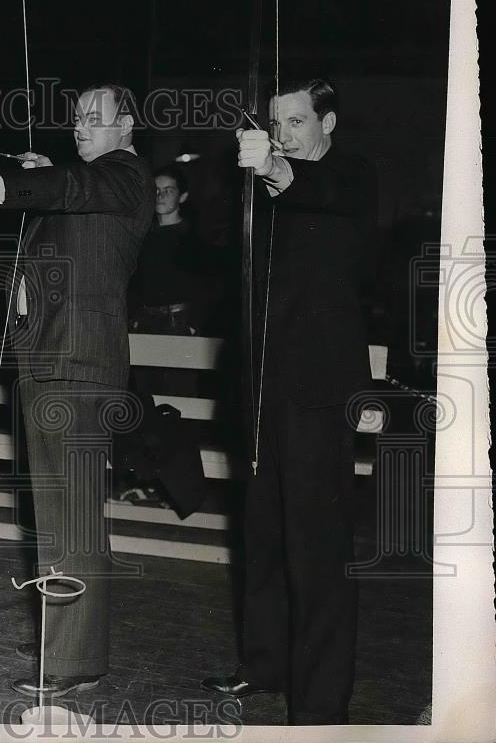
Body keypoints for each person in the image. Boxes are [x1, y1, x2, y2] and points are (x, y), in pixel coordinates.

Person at [0, 82, 154, 697]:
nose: (79, 126)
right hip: (47, 357)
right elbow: (67, 189)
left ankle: (75, 659)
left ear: (127, 125)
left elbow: (76, 186)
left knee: (73, 515)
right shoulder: (89, 182)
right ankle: (64, 637)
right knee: (57, 512)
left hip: (78, 362)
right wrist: (34, 178)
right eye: (76, 117)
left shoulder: (128, 175)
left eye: (94, 117)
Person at [201, 78, 378, 724]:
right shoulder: (262, 186)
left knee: (317, 547)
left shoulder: (352, 178)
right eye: (275, 125)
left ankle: (321, 706)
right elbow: (212, 241)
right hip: (258, 386)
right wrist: (239, 176)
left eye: (296, 122)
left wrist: (275, 170)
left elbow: (326, 193)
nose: (284, 136)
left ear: (327, 122)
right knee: (264, 534)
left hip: (318, 391)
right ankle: (264, 664)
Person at [128, 164, 221, 336]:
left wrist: (193, 324)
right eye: (156, 190)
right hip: (145, 322)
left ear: (182, 196)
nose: (160, 195)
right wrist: (135, 317)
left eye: (168, 190)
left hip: (180, 322)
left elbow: (209, 287)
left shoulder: (194, 237)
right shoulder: (141, 235)